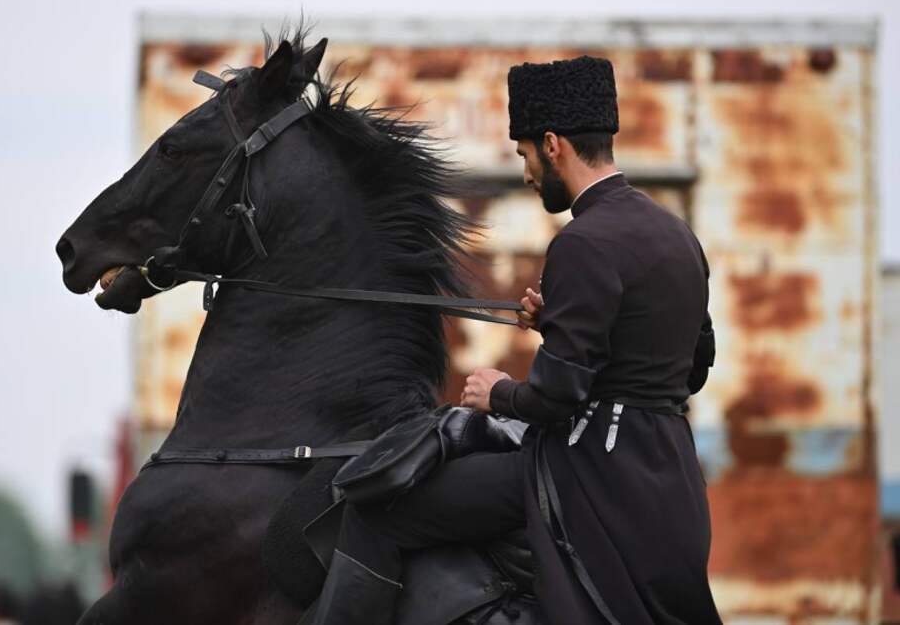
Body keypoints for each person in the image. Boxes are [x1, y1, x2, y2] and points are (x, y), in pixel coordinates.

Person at [306, 55, 721, 624]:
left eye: (525, 155)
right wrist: (561, 321)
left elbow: (557, 397)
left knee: (377, 515)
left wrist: (496, 393)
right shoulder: (676, 233)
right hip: (669, 474)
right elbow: (691, 364)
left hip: (585, 473)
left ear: (552, 145)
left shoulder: (583, 242)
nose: (526, 173)